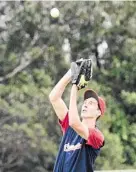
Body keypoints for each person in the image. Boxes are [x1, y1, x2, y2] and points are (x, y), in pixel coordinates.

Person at [49, 67, 106, 172]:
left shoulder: (97, 136)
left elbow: (74, 122)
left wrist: (75, 87)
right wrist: (70, 74)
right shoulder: (70, 128)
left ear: (98, 112)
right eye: (85, 102)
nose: (85, 104)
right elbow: (54, 98)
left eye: (91, 103)